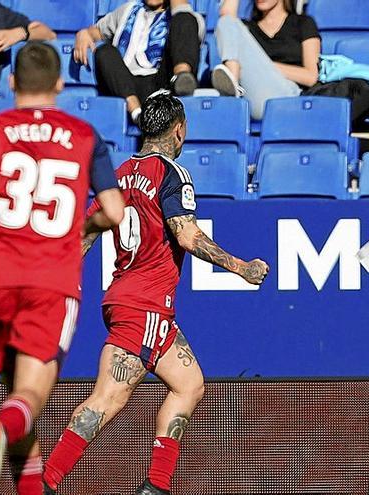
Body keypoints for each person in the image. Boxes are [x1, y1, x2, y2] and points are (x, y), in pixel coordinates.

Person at [42, 91, 270, 495]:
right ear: (179, 131)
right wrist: (241, 267)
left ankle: (156, 486)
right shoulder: (171, 173)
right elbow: (186, 234)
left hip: (128, 300)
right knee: (108, 398)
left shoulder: (119, 174)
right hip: (144, 303)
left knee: (189, 383)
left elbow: (87, 231)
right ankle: (45, 482)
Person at [0, 41, 124, 495]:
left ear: (11, 82)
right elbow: (116, 211)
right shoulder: (84, 136)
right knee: (31, 397)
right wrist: (88, 222)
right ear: (60, 84)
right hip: (50, 277)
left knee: (19, 397)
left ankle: (16, 456)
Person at [73, 0, 204, 123]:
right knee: (104, 51)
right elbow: (96, 32)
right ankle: (137, 113)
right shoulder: (127, 9)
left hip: (161, 85)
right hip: (125, 84)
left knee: (184, 19)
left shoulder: (184, 17)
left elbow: (187, 30)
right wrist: (84, 34)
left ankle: (182, 78)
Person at [211, 0, 321, 119]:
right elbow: (226, 16)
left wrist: (263, 66)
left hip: (288, 98)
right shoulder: (247, 28)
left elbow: (311, 77)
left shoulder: (303, 23)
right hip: (253, 97)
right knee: (226, 21)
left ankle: (234, 83)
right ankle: (234, 83)